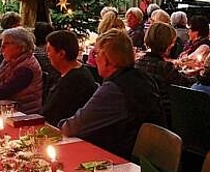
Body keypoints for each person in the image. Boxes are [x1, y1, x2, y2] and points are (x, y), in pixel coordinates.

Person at [60, 28, 165, 159]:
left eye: (97, 54)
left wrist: (60, 124)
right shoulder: (143, 77)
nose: (95, 59)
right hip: (151, 158)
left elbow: (72, 128)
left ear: (108, 60)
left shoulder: (115, 89)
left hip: (126, 163)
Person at [136, 23, 194, 123]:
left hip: (141, 115)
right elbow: (187, 84)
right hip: (165, 117)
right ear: (168, 44)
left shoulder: (138, 63)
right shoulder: (164, 67)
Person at [41, 30, 97, 125]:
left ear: (61, 54)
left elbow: (53, 114)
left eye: (49, 50)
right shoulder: (65, 73)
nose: (47, 54)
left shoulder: (75, 80)